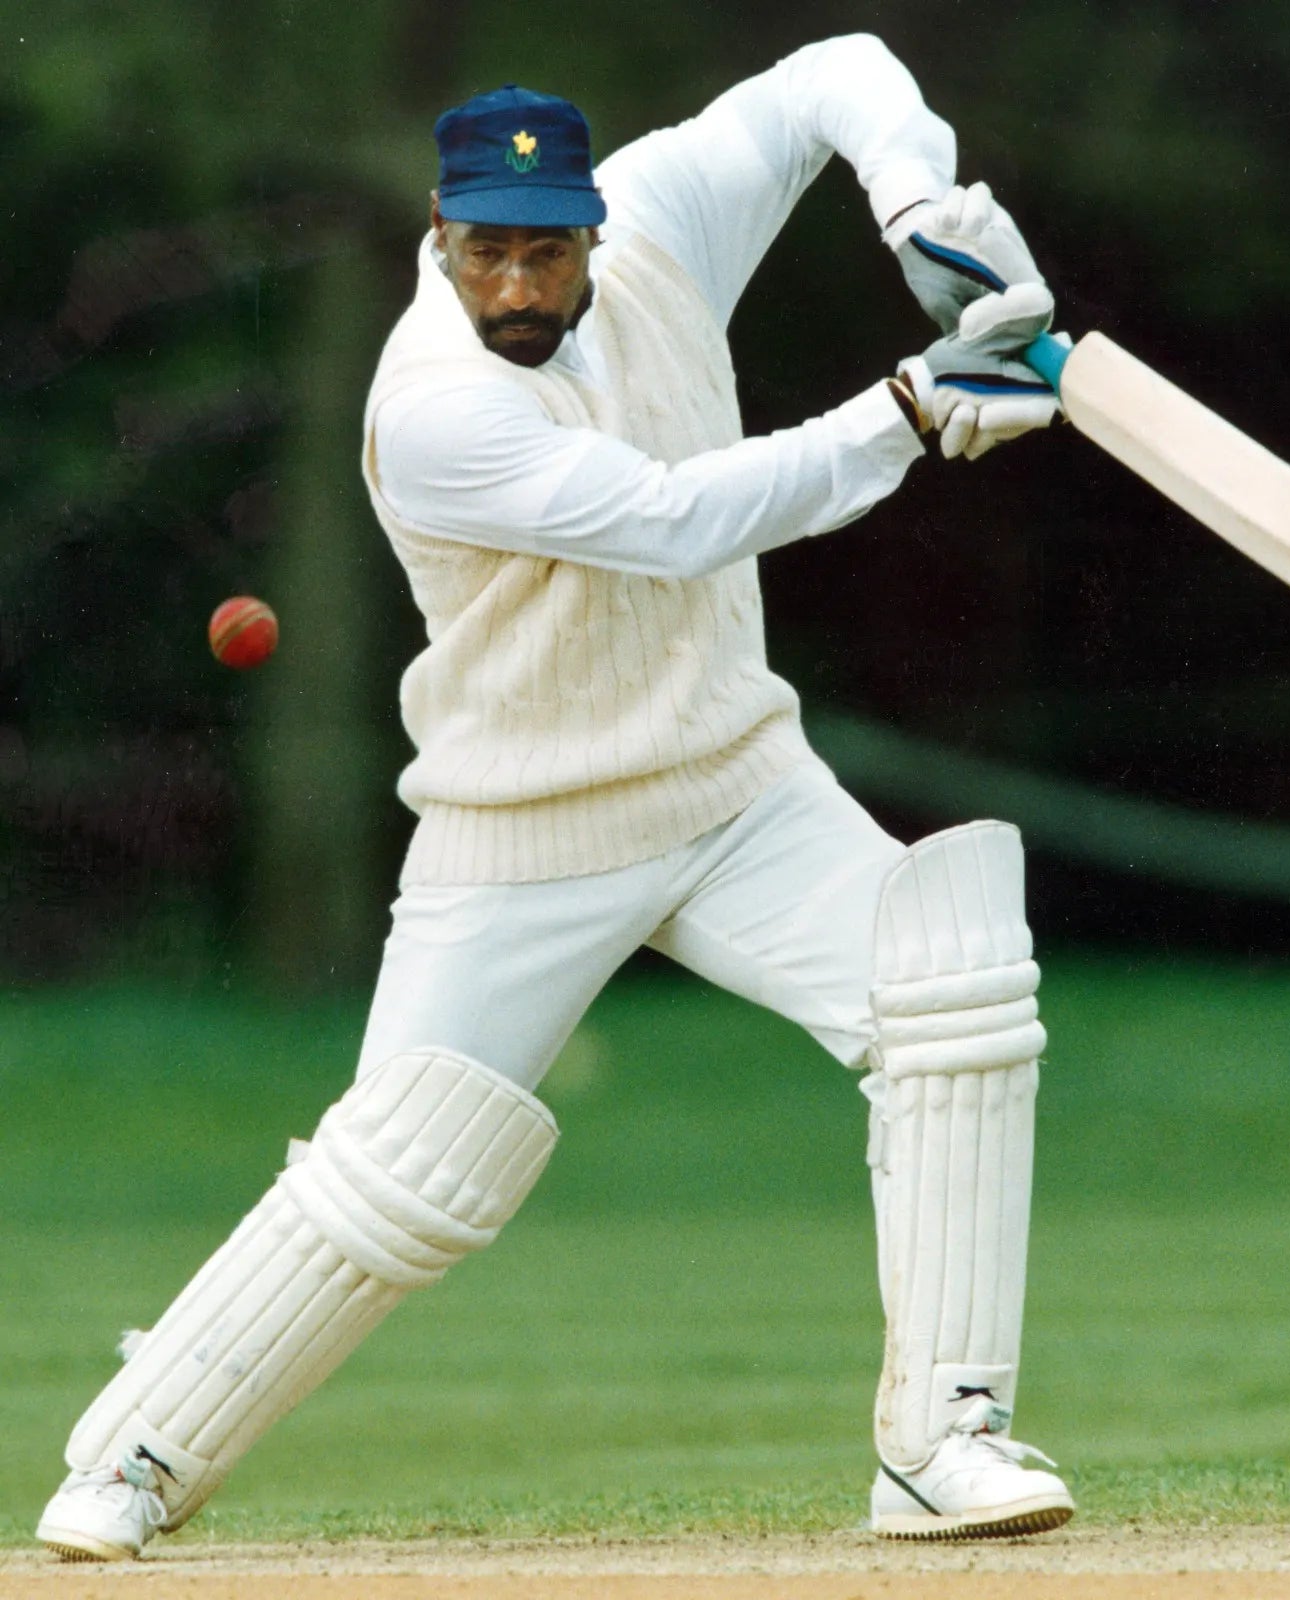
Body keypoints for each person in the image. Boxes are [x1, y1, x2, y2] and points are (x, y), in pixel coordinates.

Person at [36, 34, 1074, 1562]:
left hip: (737, 784)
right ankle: (135, 1454)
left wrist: (918, 207)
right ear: (438, 239)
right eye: (484, 254)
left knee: (956, 995)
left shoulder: (662, 218)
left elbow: (832, 71)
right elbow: (673, 522)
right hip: (522, 828)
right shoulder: (433, 407)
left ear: (598, 227)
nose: (516, 287)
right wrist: (910, 412)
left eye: (545, 252)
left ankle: (943, 1442)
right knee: (399, 1180)